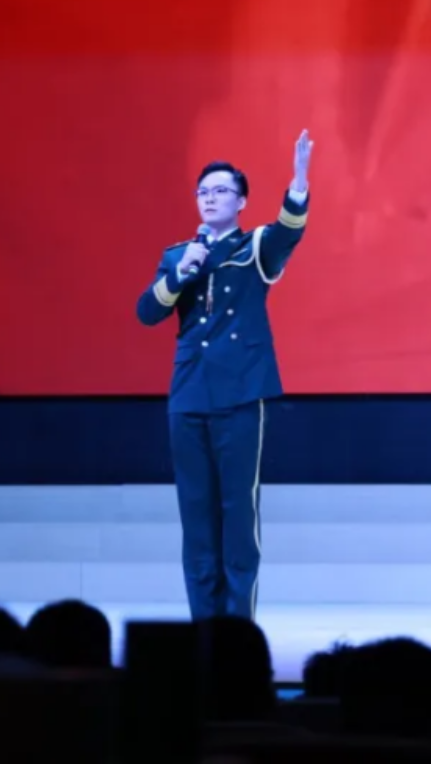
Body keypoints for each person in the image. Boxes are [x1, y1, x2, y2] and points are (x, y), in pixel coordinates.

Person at [136, 130, 313, 620]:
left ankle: (237, 630)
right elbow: (147, 311)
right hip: (189, 392)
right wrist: (181, 274)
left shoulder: (254, 246)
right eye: (203, 192)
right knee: (196, 515)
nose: (210, 198)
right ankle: (203, 627)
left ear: (241, 201)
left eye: (220, 191)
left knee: (237, 514)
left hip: (240, 392)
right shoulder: (179, 254)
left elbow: (287, 232)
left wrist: (299, 185)